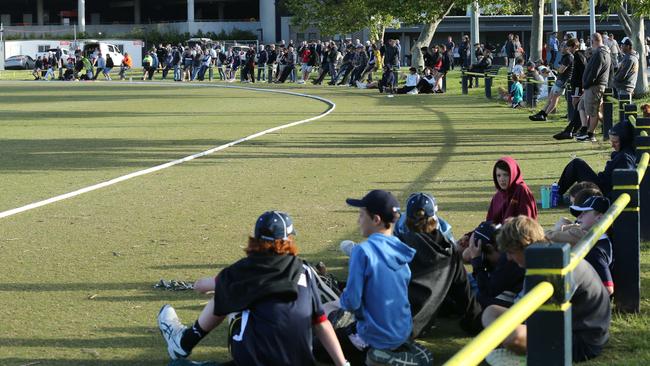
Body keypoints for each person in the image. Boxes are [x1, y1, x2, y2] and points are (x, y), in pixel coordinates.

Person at [157, 211, 349, 366]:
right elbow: (321, 322)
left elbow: (202, 287)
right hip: (300, 359)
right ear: (289, 240)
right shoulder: (304, 269)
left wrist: (212, 284)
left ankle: (183, 342)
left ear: (256, 239)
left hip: (255, 358)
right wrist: (343, 364)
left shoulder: (245, 269)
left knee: (226, 293)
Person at [482, 216, 611, 364]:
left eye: (511, 252)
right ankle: (507, 347)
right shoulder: (548, 258)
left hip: (581, 341)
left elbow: (530, 317)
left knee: (515, 336)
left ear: (524, 245)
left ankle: (515, 354)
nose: (509, 259)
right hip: (567, 328)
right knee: (491, 311)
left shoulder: (551, 268)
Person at [336, 190, 433, 366]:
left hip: (375, 334)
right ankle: (401, 348)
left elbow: (352, 301)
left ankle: (382, 357)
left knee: (322, 345)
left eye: (361, 215)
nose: (358, 220)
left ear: (376, 220)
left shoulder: (362, 251)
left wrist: (339, 302)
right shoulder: (400, 247)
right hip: (402, 328)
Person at [396, 193, 483, 337]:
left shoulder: (401, 247)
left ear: (407, 220)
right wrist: (476, 322)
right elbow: (463, 293)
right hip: (421, 325)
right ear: (435, 219)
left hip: (394, 325)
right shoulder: (449, 250)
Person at [558, 120, 636, 197]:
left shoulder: (625, 158)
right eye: (611, 141)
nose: (612, 145)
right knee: (576, 164)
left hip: (602, 192)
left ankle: (557, 194)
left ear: (624, 141)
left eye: (615, 142)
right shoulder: (623, 153)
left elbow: (623, 184)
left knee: (577, 164)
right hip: (602, 185)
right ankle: (558, 192)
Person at [467, 221, 525, 308]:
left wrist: (476, 261)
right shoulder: (505, 256)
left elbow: (487, 292)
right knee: (467, 279)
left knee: (479, 298)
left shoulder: (507, 261)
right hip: (513, 291)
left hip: (517, 301)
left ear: (489, 248)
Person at [530, 38, 578, 121]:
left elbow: (561, 70)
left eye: (562, 47)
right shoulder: (565, 57)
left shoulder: (569, 57)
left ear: (567, 48)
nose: (560, 49)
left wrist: (557, 68)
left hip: (563, 81)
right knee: (550, 98)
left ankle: (545, 115)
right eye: (560, 47)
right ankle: (541, 113)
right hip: (559, 79)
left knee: (554, 99)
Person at [575, 33, 611, 142]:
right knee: (581, 106)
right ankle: (585, 128)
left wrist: (586, 84)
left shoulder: (600, 53)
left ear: (593, 41)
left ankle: (590, 134)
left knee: (593, 111)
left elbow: (594, 72)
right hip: (592, 86)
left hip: (594, 86)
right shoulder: (600, 53)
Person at [487, 157, 538, 224]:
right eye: (498, 175)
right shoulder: (497, 196)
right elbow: (489, 223)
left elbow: (527, 222)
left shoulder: (522, 190)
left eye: (506, 175)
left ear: (513, 174)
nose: (502, 179)